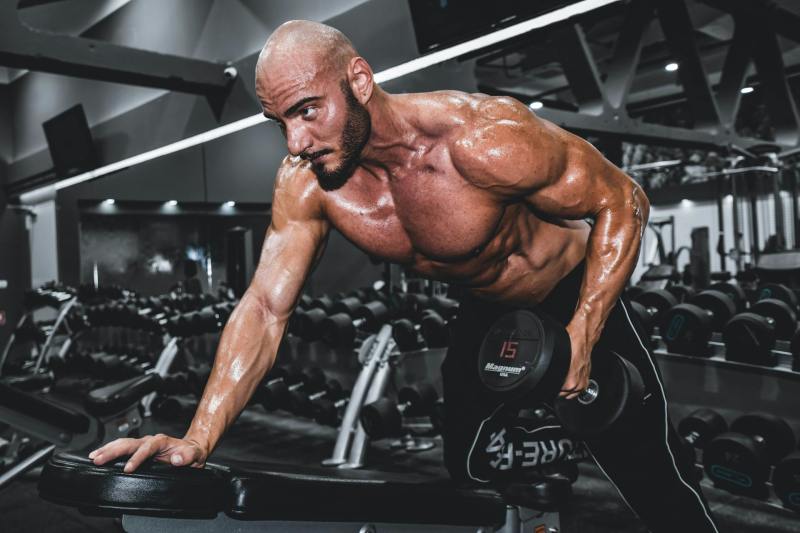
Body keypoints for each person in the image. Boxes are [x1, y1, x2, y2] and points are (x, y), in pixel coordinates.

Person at [88, 20, 719, 532]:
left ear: (359, 80)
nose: (295, 140)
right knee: (464, 470)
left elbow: (624, 200)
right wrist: (199, 439)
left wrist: (583, 330)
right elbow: (264, 307)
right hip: (483, 311)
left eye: (308, 111)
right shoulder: (308, 186)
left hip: (576, 292)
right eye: (279, 121)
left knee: (649, 474)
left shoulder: (482, 141)